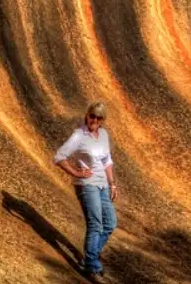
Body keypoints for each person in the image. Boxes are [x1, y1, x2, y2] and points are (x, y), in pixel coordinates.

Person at [54, 102, 118, 282]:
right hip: (87, 185)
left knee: (110, 223)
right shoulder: (79, 135)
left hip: (103, 185)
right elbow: (59, 157)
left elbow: (107, 161)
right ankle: (92, 267)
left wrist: (112, 184)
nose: (94, 120)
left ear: (103, 120)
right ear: (87, 115)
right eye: (92, 116)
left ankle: (89, 259)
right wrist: (76, 172)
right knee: (95, 225)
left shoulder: (103, 134)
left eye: (98, 118)